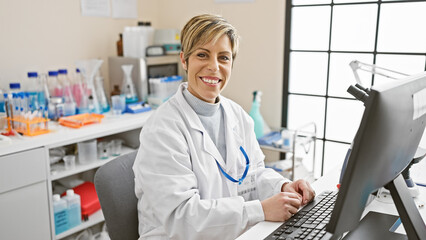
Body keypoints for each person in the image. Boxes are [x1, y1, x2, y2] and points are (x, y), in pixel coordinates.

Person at [133, 13, 315, 240]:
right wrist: (261, 210)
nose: (214, 67)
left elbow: (254, 174)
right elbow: (182, 217)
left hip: (231, 233)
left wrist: (283, 187)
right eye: (202, 55)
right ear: (184, 60)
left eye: (224, 58)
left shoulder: (237, 115)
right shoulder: (162, 129)